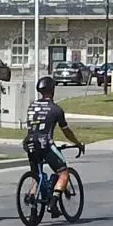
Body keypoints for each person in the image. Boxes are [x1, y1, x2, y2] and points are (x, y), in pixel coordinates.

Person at [23, 76, 85, 214]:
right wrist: (77, 143)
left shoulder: (32, 106)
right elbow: (66, 131)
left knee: (36, 174)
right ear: (53, 90)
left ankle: (33, 199)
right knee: (63, 172)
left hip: (29, 142)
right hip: (46, 144)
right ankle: (53, 202)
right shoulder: (56, 109)